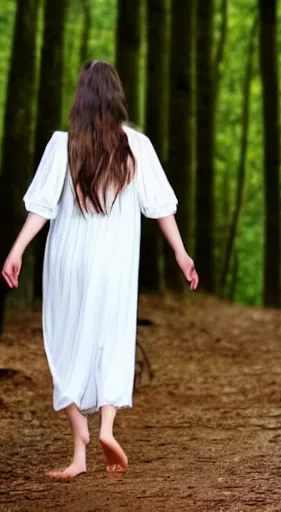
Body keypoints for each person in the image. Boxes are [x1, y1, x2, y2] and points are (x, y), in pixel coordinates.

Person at [1, 61, 198, 480]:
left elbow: (40, 208)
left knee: (66, 344)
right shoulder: (136, 147)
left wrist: (15, 250)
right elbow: (160, 208)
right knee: (110, 341)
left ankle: (79, 449)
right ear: (116, 96)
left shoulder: (62, 144)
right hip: (115, 262)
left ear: (82, 97)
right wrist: (182, 255)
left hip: (67, 259)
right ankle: (106, 429)